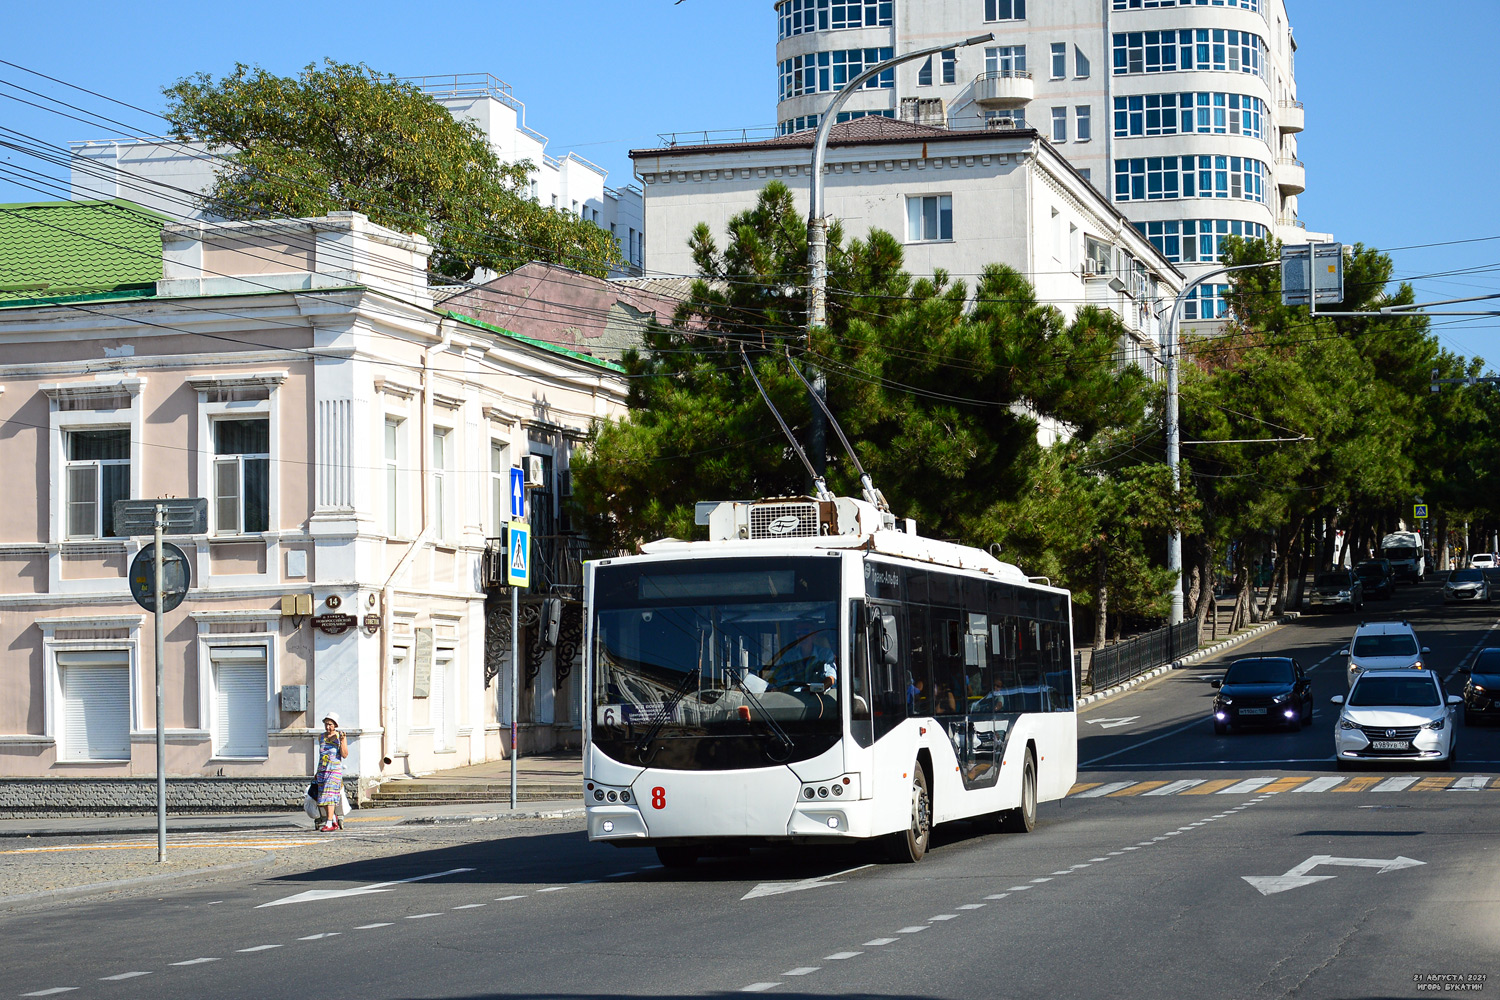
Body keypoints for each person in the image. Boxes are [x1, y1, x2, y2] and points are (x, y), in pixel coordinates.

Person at [314, 712, 348, 832]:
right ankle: (333, 818)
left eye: (330, 724)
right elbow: (321, 754)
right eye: (326, 724)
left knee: (329, 796)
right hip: (322, 770)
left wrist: (342, 741)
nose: (328, 727)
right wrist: (317, 773)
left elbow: (344, 754)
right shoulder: (321, 737)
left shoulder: (340, 736)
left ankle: (329, 823)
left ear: (335, 725)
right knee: (321, 799)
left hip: (334, 771)